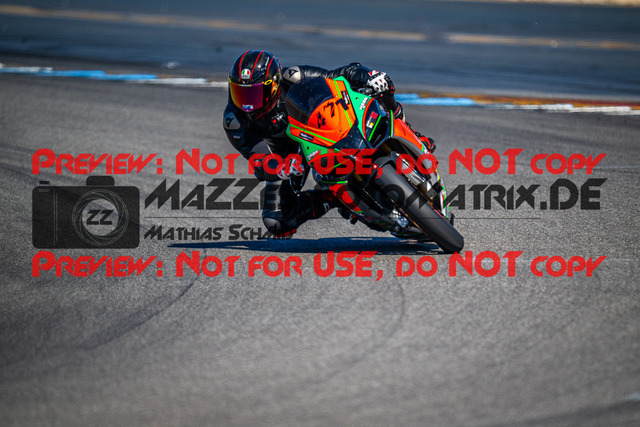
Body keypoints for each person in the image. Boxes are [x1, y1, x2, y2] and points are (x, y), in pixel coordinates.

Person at [222, 50, 435, 237]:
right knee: (277, 221)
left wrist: (368, 75)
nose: (247, 104)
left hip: (320, 129)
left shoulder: (293, 76)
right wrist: (278, 167)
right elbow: (259, 157)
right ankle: (335, 198)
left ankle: (411, 133)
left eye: (254, 94)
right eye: (240, 93)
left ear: (275, 84)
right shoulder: (234, 121)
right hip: (289, 158)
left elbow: (338, 75)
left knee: (379, 88)